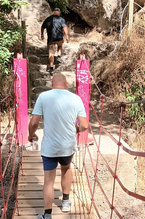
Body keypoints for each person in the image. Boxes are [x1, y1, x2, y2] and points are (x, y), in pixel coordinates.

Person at [28, 73, 89, 219]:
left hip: (50, 147)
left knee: (48, 180)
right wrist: (76, 130)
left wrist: (31, 135)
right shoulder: (76, 98)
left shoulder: (43, 96)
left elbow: (34, 122)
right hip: (67, 145)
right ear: (67, 85)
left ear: (52, 84)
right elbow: (85, 125)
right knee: (66, 169)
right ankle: (66, 202)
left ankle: (47, 215)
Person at [41, 8, 69, 75]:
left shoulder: (48, 19)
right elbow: (65, 28)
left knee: (51, 53)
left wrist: (42, 34)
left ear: (53, 12)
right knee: (60, 46)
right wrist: (67, 36)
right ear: (59, 13)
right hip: (59, 38)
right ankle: (59, 56)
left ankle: (51, 68)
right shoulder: (61, 19)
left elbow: (42, 27)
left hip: (51, 39)